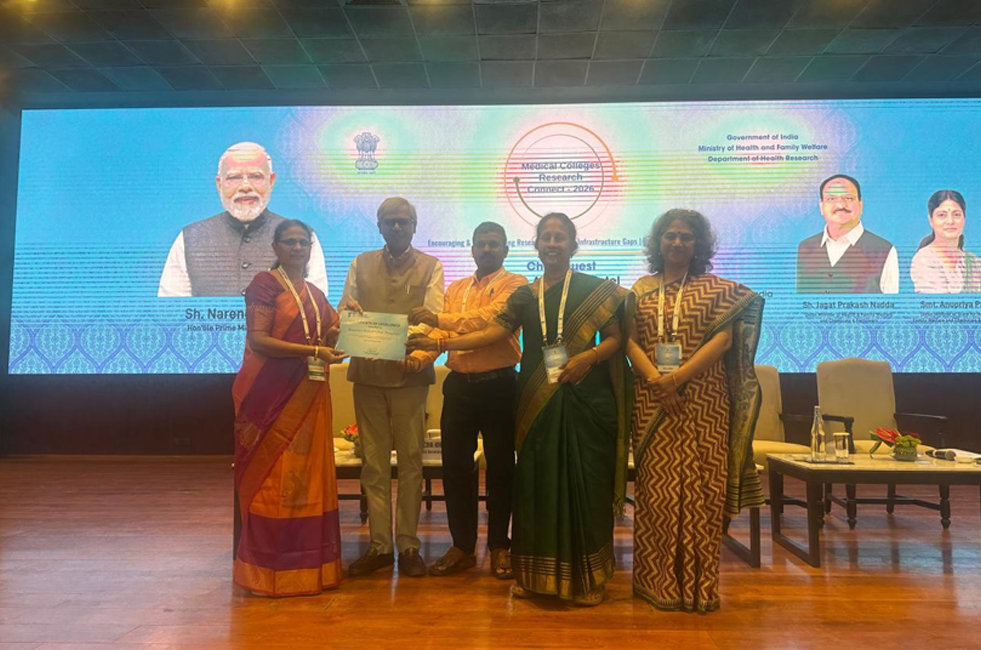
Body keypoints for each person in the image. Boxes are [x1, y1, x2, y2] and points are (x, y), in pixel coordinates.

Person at [408, 213, 631, 606]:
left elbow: (615, 339)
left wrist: (589, 357)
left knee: (582, 484)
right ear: (537, 245)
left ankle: (586, 578)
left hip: (582, 398)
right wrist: (441, 345)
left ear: (573, 244)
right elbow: (493, 332)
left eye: (560, 237)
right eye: (546, 237)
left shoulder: (595, 290)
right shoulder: (526, 295)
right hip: (536, 399)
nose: (552, 244)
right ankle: (536, 575)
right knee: (536, 483)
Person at [626, 209, 764, 614]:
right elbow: (630, 342)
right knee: (657, 495)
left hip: (704, 403)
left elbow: (723, 342)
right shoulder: (640, 289)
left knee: (703, 494)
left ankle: (699, 587)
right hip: (652, 402)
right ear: (658, 242)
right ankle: (657, 583)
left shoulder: (718, 290)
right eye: (670, 236)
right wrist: (658, 380)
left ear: (699, 244)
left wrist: (677, 379)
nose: (677, 243)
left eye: (686, 237)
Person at [231, 219, 347, 596]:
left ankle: (310, 567)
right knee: (273, 481)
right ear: (276, 247)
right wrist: (314, 351)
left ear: (310, 248)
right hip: (270, 397)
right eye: (289, 242)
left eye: (303, 242)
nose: (297, 248)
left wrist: (350, 321)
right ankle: (268, 571)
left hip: (309, 397)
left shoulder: (314, 293)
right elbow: (259, 340)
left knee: (306, 479)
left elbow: (329, 337)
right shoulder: (265, 284)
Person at [407, 222, 528, 579]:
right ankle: (462, 546)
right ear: (472, 249)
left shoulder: (516, 285)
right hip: (459, 386)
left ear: (505, 249)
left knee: (502, 468)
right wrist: (416, 358)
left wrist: (438, 321)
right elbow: (438, 333)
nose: (487, 249)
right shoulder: (456, 288)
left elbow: (487, 321)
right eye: (481, 244)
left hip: (500, 385)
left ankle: (500, 546)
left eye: (494, 244)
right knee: (455, 468)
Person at [340, 197, 444, 578]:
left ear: (414, 226)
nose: (396, 227)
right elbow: (345, 311)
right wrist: (350, 318)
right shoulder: (359, 263)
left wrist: (396, 344)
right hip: (368, 377)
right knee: (374, 464)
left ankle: (409, 545)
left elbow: (431, 321)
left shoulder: (432, 266)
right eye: (389, 222)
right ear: (379, 226)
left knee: (412, 463)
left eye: (403, 221)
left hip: (409, 377)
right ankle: (380, 546)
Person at [158, 142, 328, 297]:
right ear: (219, 184)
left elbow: (318, 312)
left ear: (271, 181)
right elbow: (172, 312)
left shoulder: (302, 238)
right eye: (234, 177)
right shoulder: (189, 238)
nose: (245, 186)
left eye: (255, 176)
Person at [796, 174, 898, 294]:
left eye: (848, 198)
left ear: (860, 204)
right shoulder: (805, 247)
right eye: (831, 199)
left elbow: (892, 303)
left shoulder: (883, 250)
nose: (840, 205)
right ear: (821, 206)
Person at [911, 190, 981, 293]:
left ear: (964, 218)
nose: (950, 221)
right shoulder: (925, 259)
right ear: (931, 220)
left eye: (956, 215)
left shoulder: (975, 262)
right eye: (942, 215)